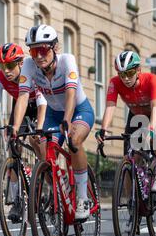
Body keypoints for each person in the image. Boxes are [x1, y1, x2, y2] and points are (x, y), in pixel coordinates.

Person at [12, 25, 95, 220]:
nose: (38, 56)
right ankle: (61, 184)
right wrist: (15, 128)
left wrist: (67, 120)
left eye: (42, 50)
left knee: (74, 141)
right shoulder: (29, 66)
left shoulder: (67, 61)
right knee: (42, 146)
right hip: (52, 114)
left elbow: (71, 93)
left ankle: (82, 197)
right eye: (33, 51)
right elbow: (23, 97)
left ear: (54, 48)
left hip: (78, 110)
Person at [0, 42, 47, 221]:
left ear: (20, 63)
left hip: (42, 105)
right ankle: (17, 199)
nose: (6, 70)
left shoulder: (32, 73)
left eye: (10, 65)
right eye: (2, 65)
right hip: (21, 106)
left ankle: (48, 182)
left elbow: (42, 105)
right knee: (13, 144)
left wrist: (39, 130)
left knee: (39, 142)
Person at [96, 50, 156, 193]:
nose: (126, 79)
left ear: (138, 70)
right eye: (122, 74)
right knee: (129, 160)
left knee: (155, 133)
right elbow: (110, 107)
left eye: (129, 73)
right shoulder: (115, 82)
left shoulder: (151, 79)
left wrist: (151, 130)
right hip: (135, 117)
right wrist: (103, 130)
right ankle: (131, 202)